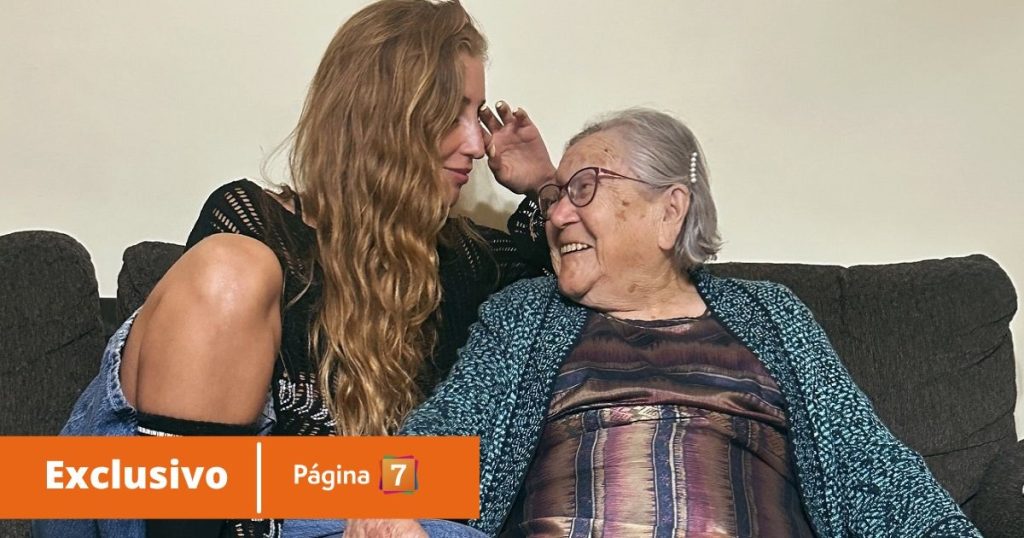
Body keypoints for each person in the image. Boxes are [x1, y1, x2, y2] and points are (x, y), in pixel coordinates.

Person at [37, 1, 555, 537]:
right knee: (231, 271)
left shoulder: (463, 261)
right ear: (381, 118)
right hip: (137, 489)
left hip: (308, 511)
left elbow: (579, 280)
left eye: (478, 115)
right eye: (452, 115)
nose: (477, 144)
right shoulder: (253, 223)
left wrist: (546, 186)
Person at [399, 108, 982, 536]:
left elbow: (874, 472)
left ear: (670, 212)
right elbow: (435, 453)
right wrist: (362, 500)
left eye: (583, 188)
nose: (555, 214)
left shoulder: (771, 316)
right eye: (556, 196)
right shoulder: (526, 315)